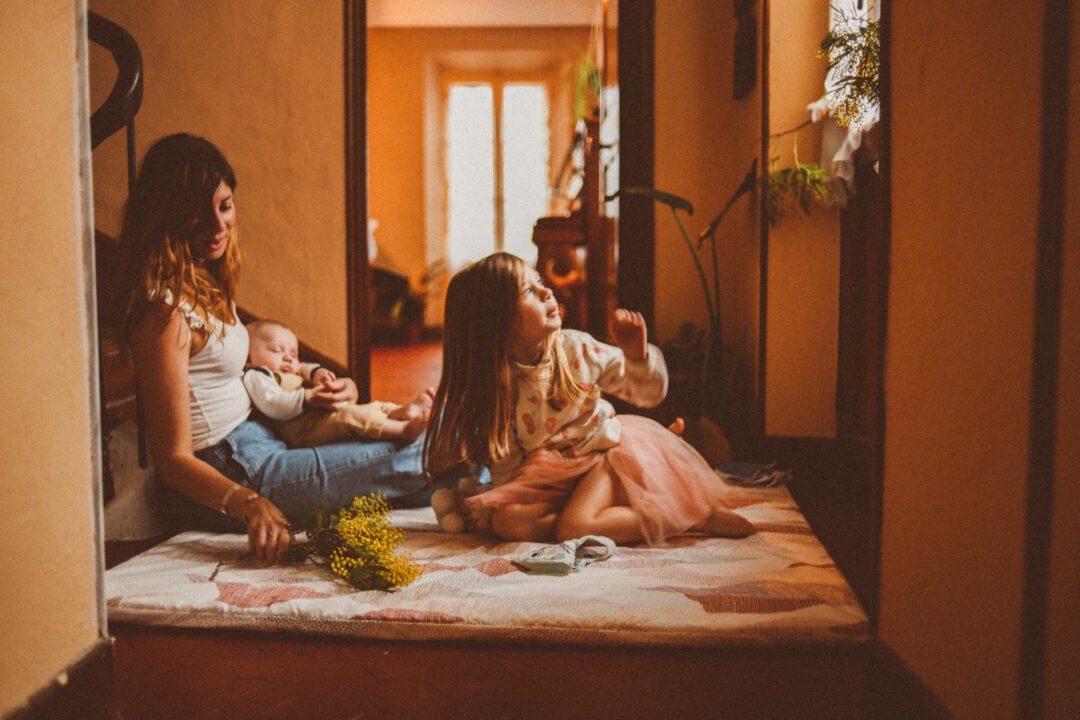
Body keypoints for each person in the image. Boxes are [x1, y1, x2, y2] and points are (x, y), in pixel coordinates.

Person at [120, 133, 441, 564]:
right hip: (230, 469)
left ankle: (498, 492)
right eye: (197, 213)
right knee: (427, 450)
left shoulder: (201, 281)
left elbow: (244, 369)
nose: (218, 226)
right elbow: (173, 458)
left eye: (225, 205)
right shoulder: (163, 314)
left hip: (264, 437)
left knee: (433, 457)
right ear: (165, 215)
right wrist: (247, 501)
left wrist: (316, 379)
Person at [423, 252, 755, 546]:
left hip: (603, 458)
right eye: (528, 290)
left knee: (575, 528)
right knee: (508, 521)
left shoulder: (577, 349)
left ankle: (687, 515)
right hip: (553, 478)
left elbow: (649, 393)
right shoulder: (497, 386)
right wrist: (506, 506)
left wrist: (636, 356)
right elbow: (509, 468)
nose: (546, 291)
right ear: (496, 322)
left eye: (539, 281)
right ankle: (611, 517)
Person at [243, 318, 432, 445]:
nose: (288, 358)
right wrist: (307, 397)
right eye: (276, 350)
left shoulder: (293, 367)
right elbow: (273, 404)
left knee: (366, 407)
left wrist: (320, 374)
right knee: (350, 417)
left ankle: (398, 411)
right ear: (248, 357)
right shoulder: (258, 375)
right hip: (302, 431)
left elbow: (306, 367)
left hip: (318, 416)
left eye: (293, 353)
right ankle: (403, 430)